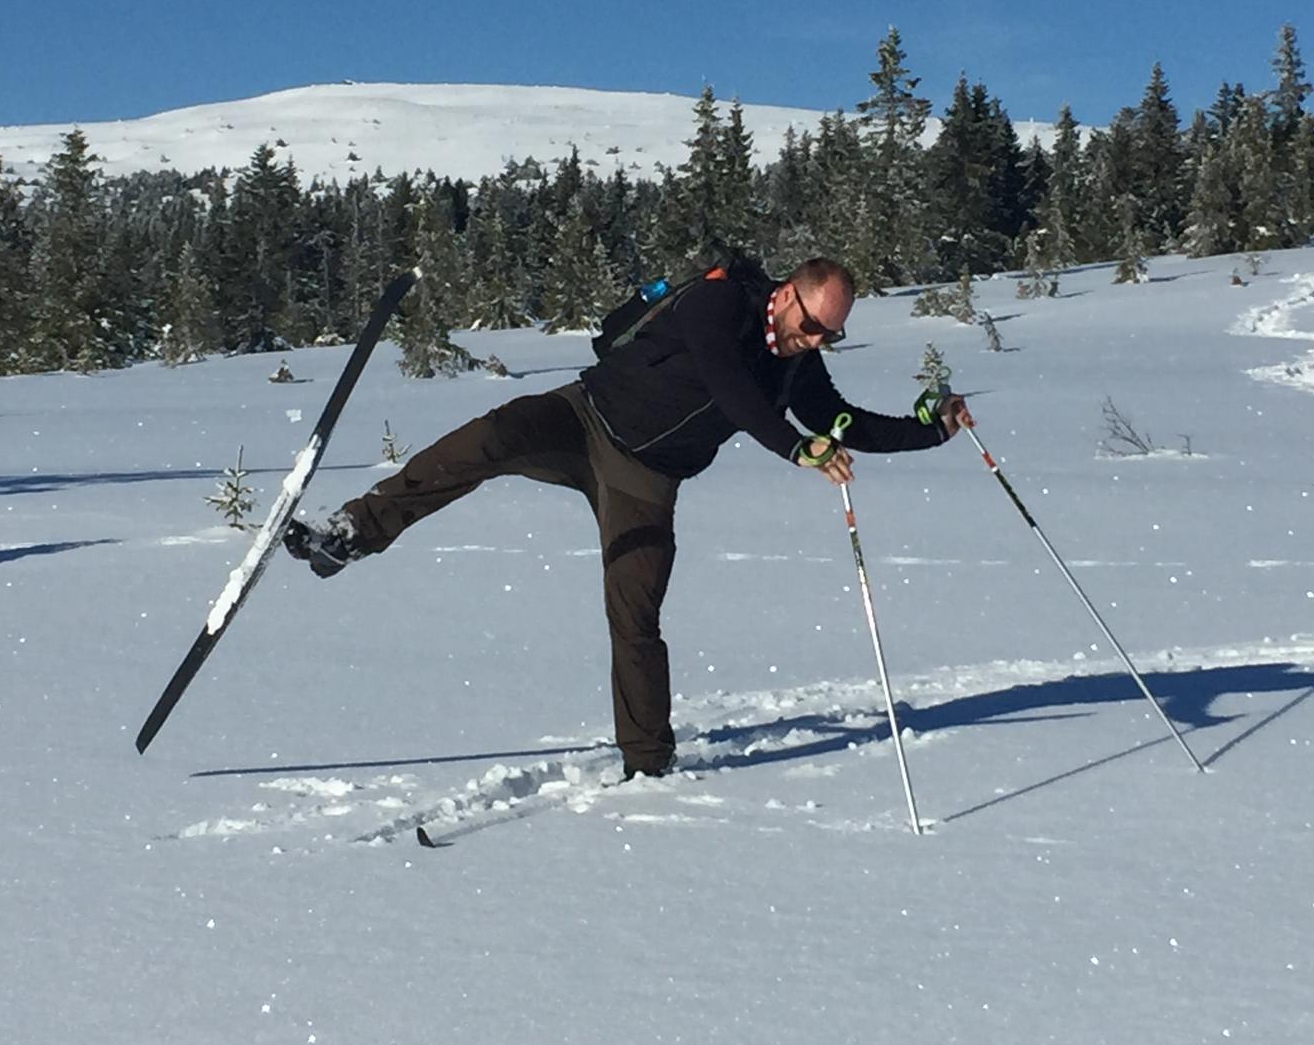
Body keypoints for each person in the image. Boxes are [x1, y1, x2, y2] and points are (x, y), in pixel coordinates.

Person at [283, 256, 974, 780]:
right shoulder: (719, 301)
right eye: (812, 324)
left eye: (832, 334)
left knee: (635, 611)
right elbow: (729, 385)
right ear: (787, 294)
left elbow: (840, 420)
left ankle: (648, 768)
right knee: (488, 440)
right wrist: (794, 446)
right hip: (582, 418)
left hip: (647, 479)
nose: (817, 340)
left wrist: (932, 432)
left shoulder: (797, 367)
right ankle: (351, 532)